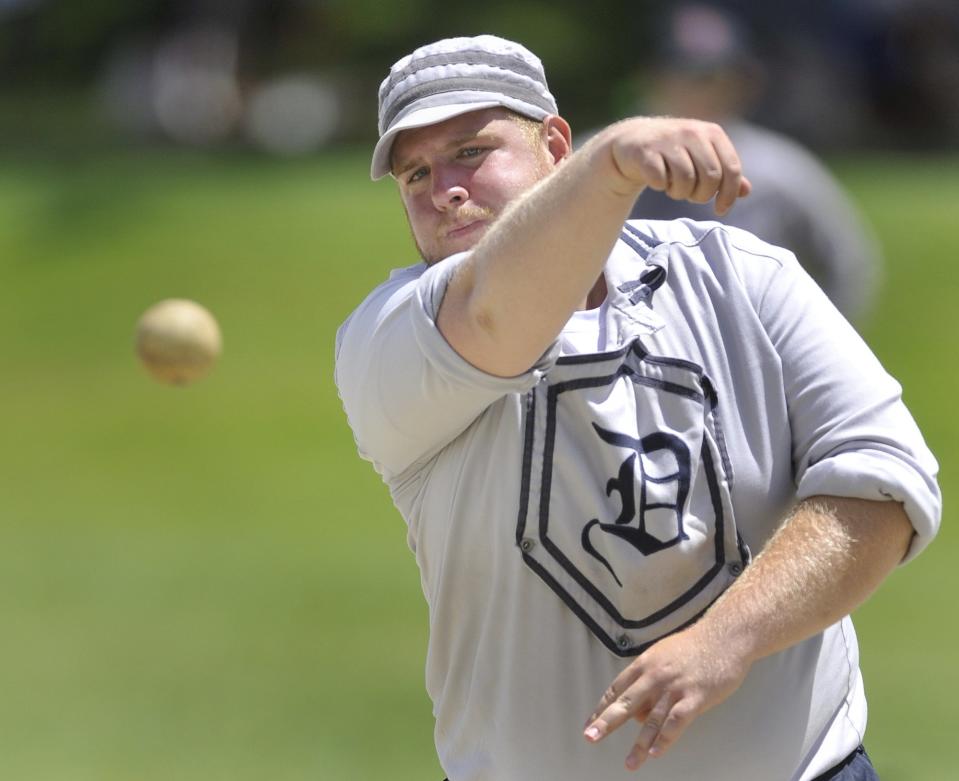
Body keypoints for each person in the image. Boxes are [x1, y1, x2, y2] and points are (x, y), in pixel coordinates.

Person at [334, 34, 940, 780]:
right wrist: (610, 163)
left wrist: (726, 640)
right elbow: (497, 316)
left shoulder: (741, 276)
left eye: (469, 151)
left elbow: (882, 482)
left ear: (553, 144)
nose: (443, 190)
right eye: (415, 173)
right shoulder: (391, 337)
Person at [628, 4, 881, 322]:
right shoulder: (605, 165)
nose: (698, 89)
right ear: (654, 77)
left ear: (743, 82)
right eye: (684, 74)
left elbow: (845, 263)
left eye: (711, 76)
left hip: (748, 358)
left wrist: (802, 349)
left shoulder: (781, 169)